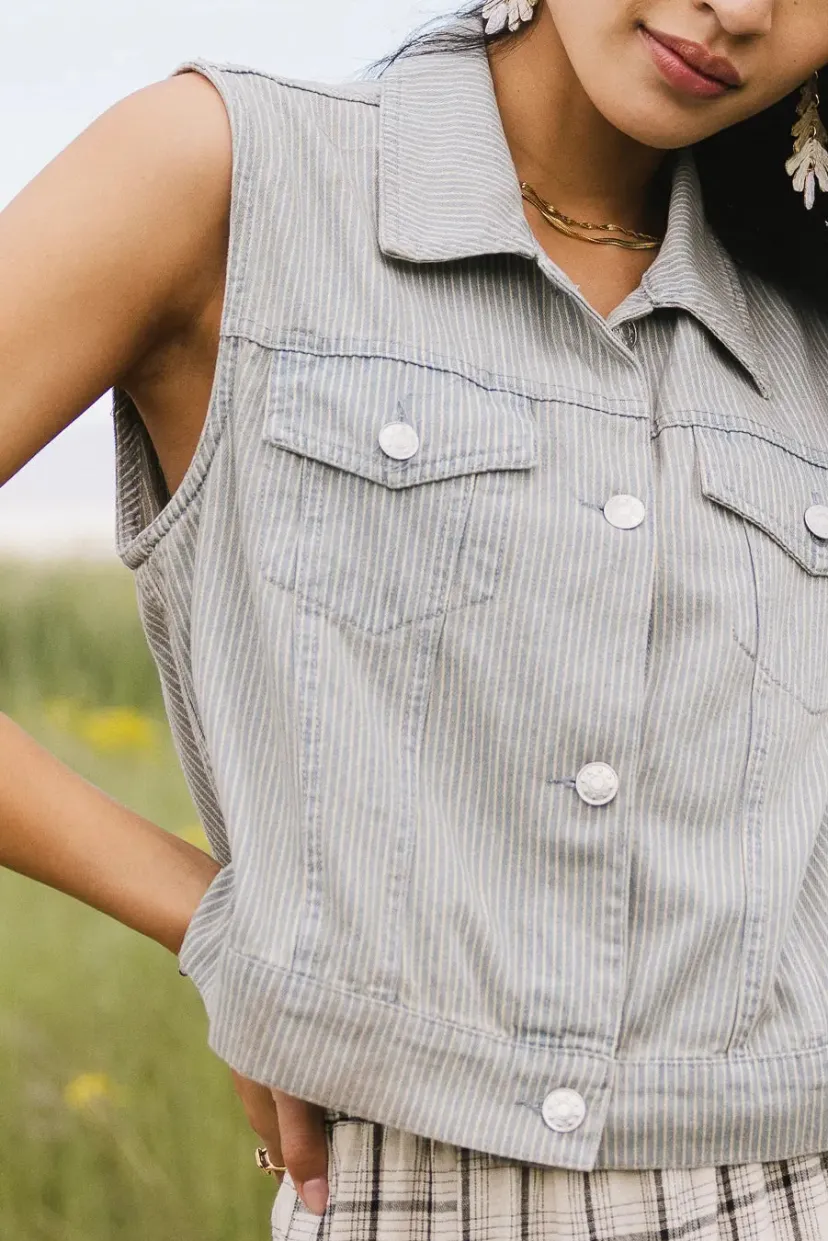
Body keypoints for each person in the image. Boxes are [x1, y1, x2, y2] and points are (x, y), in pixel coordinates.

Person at [3, 0, 828, 1235]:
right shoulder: (227, 174)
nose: (741, 11)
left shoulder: (801, 317)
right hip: (402, 1194)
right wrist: (219, 923)